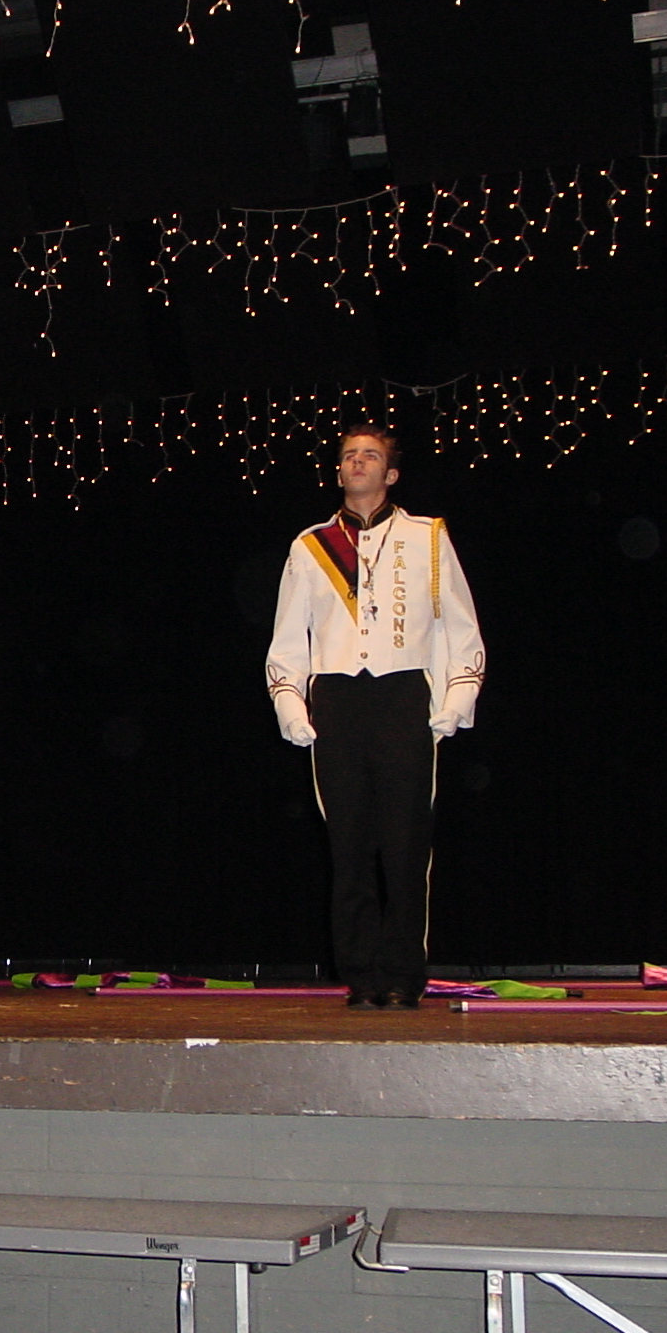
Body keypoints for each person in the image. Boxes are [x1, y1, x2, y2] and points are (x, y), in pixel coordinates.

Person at [265, 426, 485, 1009]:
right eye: (349, 456)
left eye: (370, 456)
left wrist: (457, 697)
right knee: (349, 847)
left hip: (403, 695)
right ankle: (361, 974)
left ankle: (404, 973)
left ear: (391, 474)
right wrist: (290, 701)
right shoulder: (310, 546)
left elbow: (460, 624)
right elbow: (287, 638)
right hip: (337, 700)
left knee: (407, 846)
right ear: (338, 472)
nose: (357, 462)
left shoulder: (427, 537)